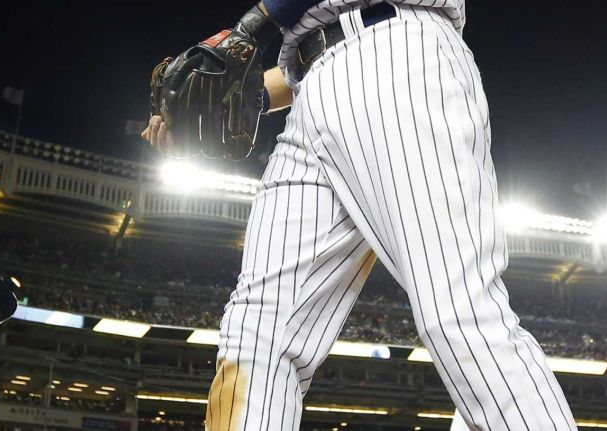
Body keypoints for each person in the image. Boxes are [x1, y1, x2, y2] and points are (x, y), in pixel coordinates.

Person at [143, 1, 577, 430]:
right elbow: (315, 43)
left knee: (458, 317)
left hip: (395, 56)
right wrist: (238, 99)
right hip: (311, 84)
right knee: (258, 333)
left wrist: (253, 23)